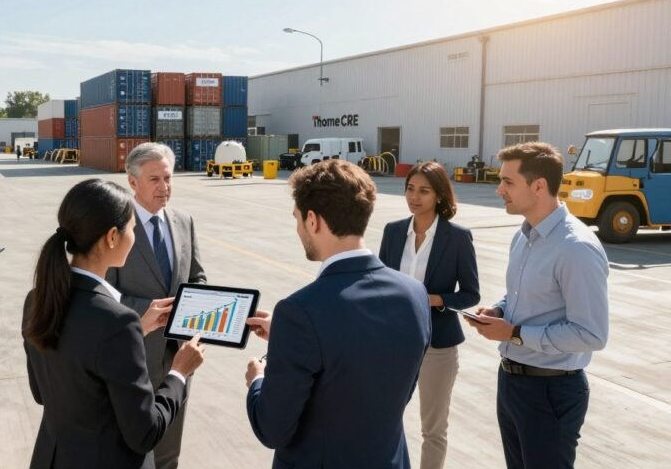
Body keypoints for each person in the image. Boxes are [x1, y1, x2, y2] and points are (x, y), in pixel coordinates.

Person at [244, 160, 432, 469]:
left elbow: (272, 428)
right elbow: (375, 378)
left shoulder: (300, 311)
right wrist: (289, 340)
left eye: (297, 218)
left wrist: (257, 381)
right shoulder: (414, 294)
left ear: (313, 221)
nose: (297, 228)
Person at [22, 178, 206, 469]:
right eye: (132, 229)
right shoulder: (117, 323)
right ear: (111, 237)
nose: (134, 237)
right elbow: (145, 433)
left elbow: (41, 391)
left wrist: (138, 330)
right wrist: (179, 374)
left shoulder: (37, 300)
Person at [467, 142, 609, 469]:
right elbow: (523, 296)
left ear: (539, 186)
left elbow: (591, 334)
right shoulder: (524, 236)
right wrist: (499, 311)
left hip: (552, 390)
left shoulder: (576, 248)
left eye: (508, 182)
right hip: (513, 383)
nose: (499, 189)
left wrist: (514, 333)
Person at [105, 142, 206, 469]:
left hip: (178, 353)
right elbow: (102, 291)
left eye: (168, 178)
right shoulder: (115, 226)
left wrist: (200, 307)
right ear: (132, 182)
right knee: (130, 445)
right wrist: (151, 309)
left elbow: (198, 276)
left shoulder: (184, 220)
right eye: (154, 180)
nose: (164, 187)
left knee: (169, 446)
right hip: (133, 351)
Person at [379, 161, 481, 469]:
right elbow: (381, 283)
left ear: (439, 196)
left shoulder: (457, 237)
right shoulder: (394, 231)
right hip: (394, 343)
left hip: (439, 345)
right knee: (382, 420)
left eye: (423, 191)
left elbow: (471, 294)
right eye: (410, 189)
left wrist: (433, 299)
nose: (414, 197)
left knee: (433, 430)